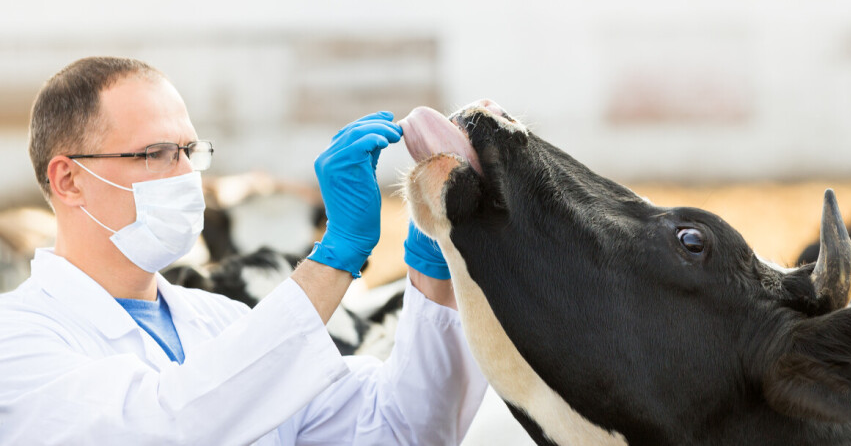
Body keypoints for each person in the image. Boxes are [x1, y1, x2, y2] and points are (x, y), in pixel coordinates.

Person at [0, 57, 487, 445]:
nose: (186, 175)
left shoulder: (224, 321)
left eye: (189, 151)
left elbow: (401, 430)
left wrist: (436, 260)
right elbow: (168, 425)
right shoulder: (18, 339)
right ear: (69, 180)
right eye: (156, 154)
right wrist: (335, 256)